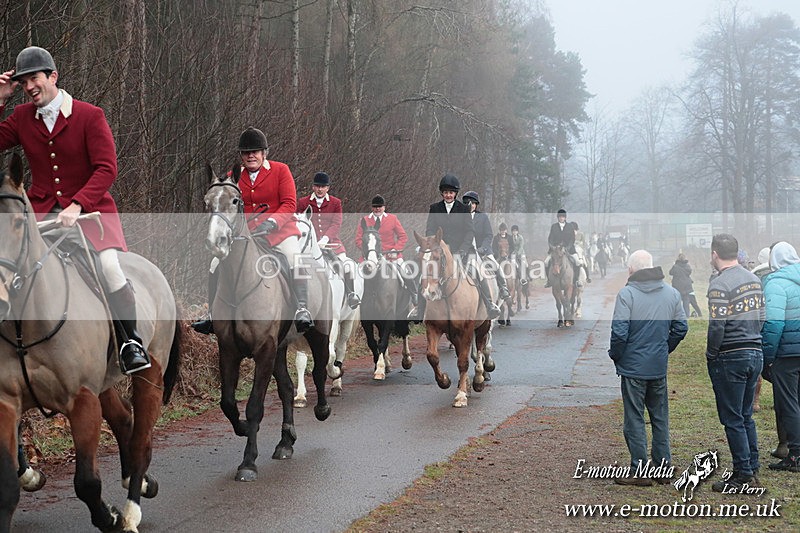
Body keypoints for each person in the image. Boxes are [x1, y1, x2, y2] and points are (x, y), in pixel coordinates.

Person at [0, 46, 149, 374]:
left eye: (34, 79)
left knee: (109, 267)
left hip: (90, 214)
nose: (28, 87)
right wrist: (0, 98)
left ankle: (129, 341)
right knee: (7, 265)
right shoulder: (22, 117)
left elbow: (107, 168)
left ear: (53, 76)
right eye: (22, 82)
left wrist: (77, 204)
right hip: (39, 215)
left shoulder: (89, 115)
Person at [192, 127, 313, 334]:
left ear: (264, 153)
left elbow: (289, 203)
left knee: (294, 257)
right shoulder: (233, 176)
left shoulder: (280, 170)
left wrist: (273, 222)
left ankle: (302, 308)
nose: (250, 156)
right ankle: (212, 314)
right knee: (215, 262)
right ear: (241, 156)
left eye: (255, 151)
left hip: (280, 232)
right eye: (246, 152)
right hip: (246, 235)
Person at [609, 250, 687, 486]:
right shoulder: (672, 294)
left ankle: (639, 471)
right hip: (657, 367)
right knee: (660, 417)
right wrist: (664, 349)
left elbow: (620, 333)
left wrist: (616, 356)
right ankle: (663, 467)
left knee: (634, 418)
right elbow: (681, 328)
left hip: (633, 368)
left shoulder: (627, 294)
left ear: (631, 270)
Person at [706, 234, 765, 492]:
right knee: (745, 414)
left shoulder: (719, 285)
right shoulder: (754, 279)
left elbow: (717, 324)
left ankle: (743, 473)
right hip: (755, 351)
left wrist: (711, 353)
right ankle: (752, 462)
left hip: (731, 355)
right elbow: (762, 316)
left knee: (732, 418)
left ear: (715, 254)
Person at [407, 174, 474, 321]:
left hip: (459, 251)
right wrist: (432, 245)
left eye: (451, 192)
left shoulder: (463, 209)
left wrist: (463, 249)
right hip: (438, 251)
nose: (448, 195)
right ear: (442, 193)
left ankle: (488, 304)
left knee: (478, 274)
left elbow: (469, 231)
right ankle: (419, 309)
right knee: (424, 276)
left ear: (455, 193)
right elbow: (430, 230)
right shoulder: (435, 208)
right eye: (445, 192)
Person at [760, 241, 800, 473]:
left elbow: (774, 324)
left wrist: (768, 356)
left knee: (789, 404)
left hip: (787, 354)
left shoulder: (775, 283)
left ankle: (795, 454)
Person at [296, 171, 360, 309]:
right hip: (309, 244)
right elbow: (299, 222)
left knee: (347, 266)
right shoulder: (303, 202)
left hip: (332, 243)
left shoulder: (336, 203)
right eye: (317, 186)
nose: (320, 189)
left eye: (323, 186)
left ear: (328, 188)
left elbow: (336, 223)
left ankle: (351, 294)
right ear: (313, 187)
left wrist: (325, 238)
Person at [354, 194, 417, 309]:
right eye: (375, 207)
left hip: (391, 255)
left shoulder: (392, 219)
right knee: (356, 275)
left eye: (380, 206)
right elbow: (358, 240)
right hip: (370, 257)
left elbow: (403, 236)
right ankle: (355, 300)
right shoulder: (364, 220)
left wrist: (395, 249)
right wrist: (368, 252)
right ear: (372, 208)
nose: (378, 209)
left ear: (384, 207)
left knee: (405, 271)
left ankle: (414, 297)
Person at [463, 191, 506, 319]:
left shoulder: (483, 217)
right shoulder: (460, 217)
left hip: (483, 251)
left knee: (497, 267)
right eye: (467, 203)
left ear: (476, 205)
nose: (470, 205)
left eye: (473, 203)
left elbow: (489, 235)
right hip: (466, 252)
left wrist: (483, 248)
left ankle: (502, 289)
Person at [544, 209, 591, 288]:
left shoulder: (569, 226)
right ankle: (549, 280)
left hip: (569, 249)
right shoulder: (554, 226)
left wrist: (567, 247)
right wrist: (552, 247)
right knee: (546, 262)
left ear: (565, 218)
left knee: (578, 262)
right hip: (556, 250)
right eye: (560, 217)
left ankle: (576, 280)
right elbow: (550, 239)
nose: (561, 218)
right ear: (558, 218)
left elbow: (572, 239)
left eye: (563, 217)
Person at [668, 253, 703, 318]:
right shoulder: (687, 266)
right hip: (687, 287)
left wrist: (674, 265)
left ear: (678, 258)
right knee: (686, 303)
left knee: (676, 302)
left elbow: (670, 272)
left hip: (677, 287)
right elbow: (689, 272)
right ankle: (687, 315)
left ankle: (674, 315)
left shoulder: (675, 266)